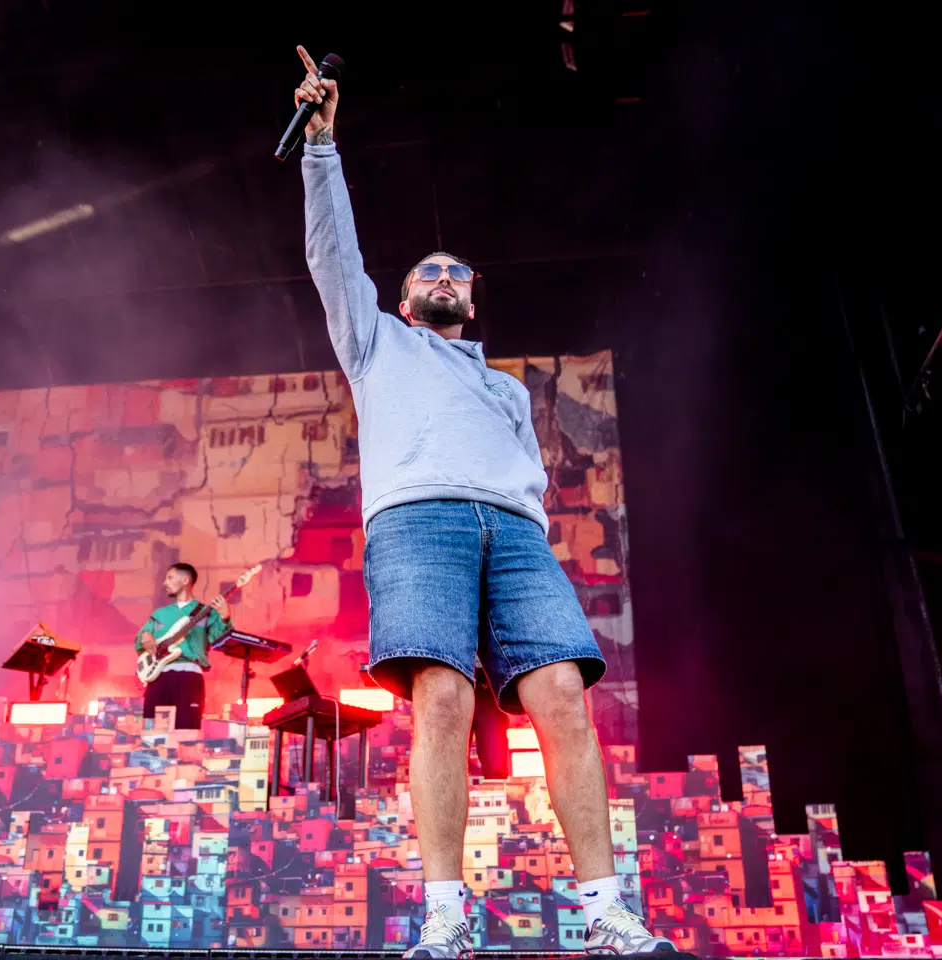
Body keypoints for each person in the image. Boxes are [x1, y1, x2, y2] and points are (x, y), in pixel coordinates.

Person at [292, 46, 675, 957]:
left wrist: (527, 523)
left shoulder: (504, 388)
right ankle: (445, 917)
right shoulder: (375, 343)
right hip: (417, 523)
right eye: (428, 272)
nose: (443, 278)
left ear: (470, 301)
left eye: (457, 274)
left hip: (515, 533)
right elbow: (332, 254)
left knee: (564, 697)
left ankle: (606, 912)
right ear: (403, 300)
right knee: (441, 701)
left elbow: (526, 474)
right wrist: (321, 146)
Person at [135, 562, 232, 731]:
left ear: (185, 580)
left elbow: (221, 640)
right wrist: (144, 635)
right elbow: (141, 641)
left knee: (187, 729)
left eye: (170, 578)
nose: (165, 583)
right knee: (152, 730)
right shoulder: (159, 614)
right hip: (158, 675)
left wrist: (225, 618)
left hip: (189, 676)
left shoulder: (206, 612)